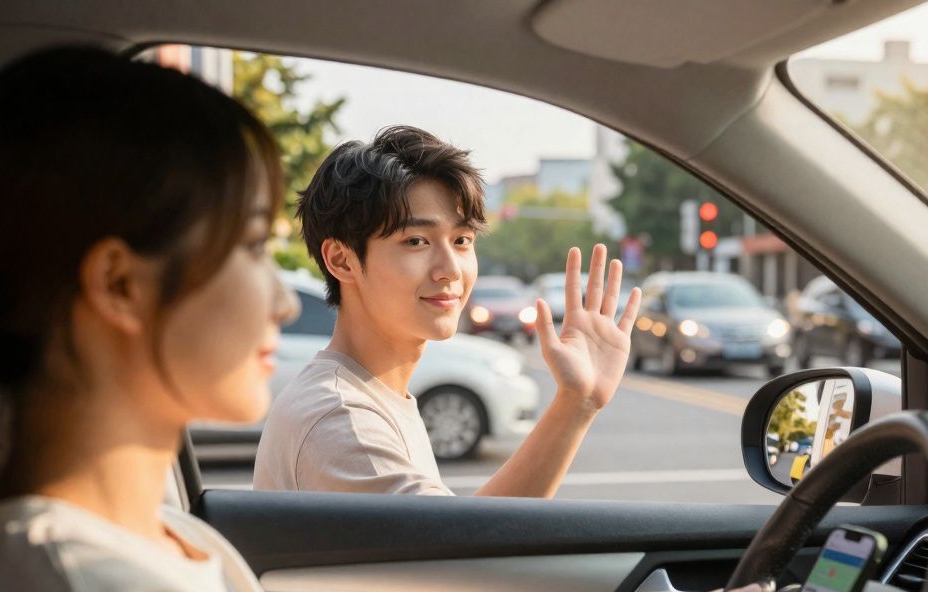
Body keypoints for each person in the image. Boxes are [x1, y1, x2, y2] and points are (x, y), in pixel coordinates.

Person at [0, 46, 928, 592]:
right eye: (251, 246)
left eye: (459, 240)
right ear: (117, 283)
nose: (276, 294)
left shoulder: (166, 550)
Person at [252, 127, 638, 497]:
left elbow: (451, 542)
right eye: (416, 241)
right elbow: (469, 556)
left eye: (461, 240)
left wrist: (578, 401)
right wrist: (574, 405)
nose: (451, 268)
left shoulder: (370, 394)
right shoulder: (340, 422)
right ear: (342, 260)